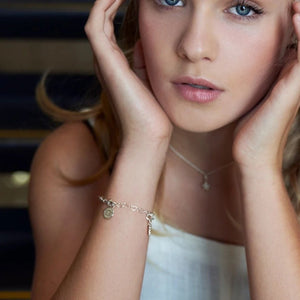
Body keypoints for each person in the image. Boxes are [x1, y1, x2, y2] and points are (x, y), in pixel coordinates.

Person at [29, 0, 300, 298]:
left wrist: (259, 167)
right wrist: (142, 151)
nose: (194, 47)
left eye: (243, 9)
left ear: (294, 32)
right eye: (171, 0)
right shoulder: (77, 159)